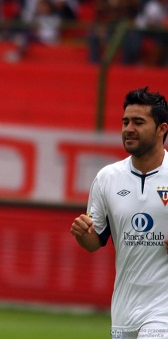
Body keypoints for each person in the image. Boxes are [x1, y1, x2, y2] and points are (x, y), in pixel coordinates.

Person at [70, 87, 168, 339]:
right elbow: (95, 242)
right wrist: (83, 233)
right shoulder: (107, 178)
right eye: (125, 122)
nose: (128, 129)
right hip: (124, 311)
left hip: (163, 311)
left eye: (138, 122)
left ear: (162, 129)